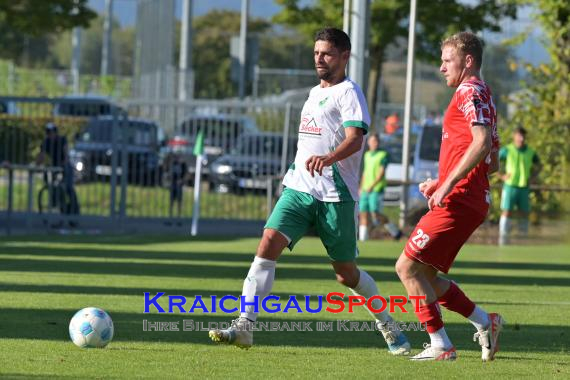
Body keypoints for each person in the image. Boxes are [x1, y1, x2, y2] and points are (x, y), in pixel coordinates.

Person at [208, 27, 410, 355]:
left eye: (327, 53)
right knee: (267, 243)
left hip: (336, 196)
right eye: (316, 52)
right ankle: (245, 325)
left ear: (344, 57)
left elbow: (355, 137)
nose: (319, 58)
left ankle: (385, 321)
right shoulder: (313, 92)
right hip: (299, 187)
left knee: (346, 274)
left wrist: (329, 158)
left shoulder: (349, 93)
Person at [394, 32, 504, 361]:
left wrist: (447, 186)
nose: (441, 67)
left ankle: (440, 344)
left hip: (458, 200)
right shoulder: (485, 96)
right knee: (425, 276)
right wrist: (441, 181)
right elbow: (493, 162)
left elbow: (482, 143)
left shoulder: (469, 91)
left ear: (467, 61)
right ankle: (486, 321)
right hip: (469, 198)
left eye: (446, 60)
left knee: (406, 269)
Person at [498, 126, 540, 245]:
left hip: (524, 186)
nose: (521, 138)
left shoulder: (531, 152)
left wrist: (533, 177)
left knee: (524, 212)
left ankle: (523, 237)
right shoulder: (507, 149)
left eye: (523, 136)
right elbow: (494, 161)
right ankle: (503, 237)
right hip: (510, 186)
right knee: (507, 211)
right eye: (519, 135)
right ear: (514, 136)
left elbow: (539, 165)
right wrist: (501, 176)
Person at [359, 133, 402, 241]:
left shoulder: (383, 154)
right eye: (372, 141)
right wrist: (361, 187)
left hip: (376, 189)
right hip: (365, 188)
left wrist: (371, 185)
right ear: (368, 142)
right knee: (363, 213)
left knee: (375, 214)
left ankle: (395, 232)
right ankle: (363, 239)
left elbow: (381, 173)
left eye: (376, 141)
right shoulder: (367, 155)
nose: (374, 143)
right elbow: (365, 172)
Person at [36, 122, 80, 217]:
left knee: (68, 187)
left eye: (52, 132)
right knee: (52, 185)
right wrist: (37, 165)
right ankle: (58, 203)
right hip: (55, 167)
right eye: (48, 132)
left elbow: (66, 153)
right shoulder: (46, 142)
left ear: (55, 132)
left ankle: (74, 210)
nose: (50, 135)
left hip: (65, 166)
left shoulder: (62, 140)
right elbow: (41, 155)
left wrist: (63, 164)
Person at [168, 152, 188, 220]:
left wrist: (182, 180)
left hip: (179, 185)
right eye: (175, 157)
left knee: (179, 201)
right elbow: (169, 172)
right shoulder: (172, 163)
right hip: (173, 184)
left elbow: (186, 174)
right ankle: (170, 216)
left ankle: (178, 216)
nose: (177, 158)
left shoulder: (183, 164)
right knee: (171, 200)